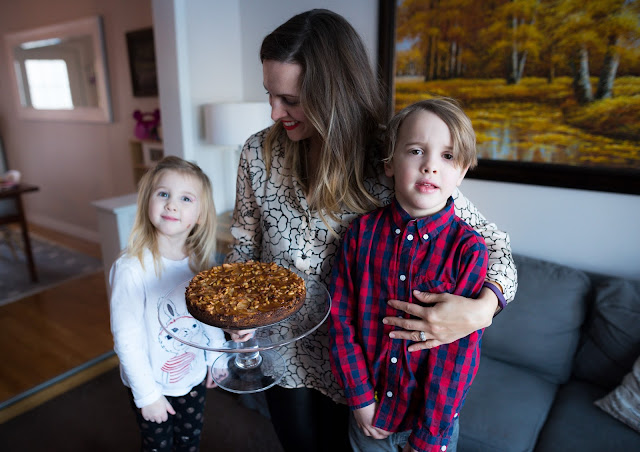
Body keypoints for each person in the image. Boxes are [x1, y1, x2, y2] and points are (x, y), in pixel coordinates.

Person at [226, 9, 517, 452]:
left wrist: (482, 310)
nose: (274, 111)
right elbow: (245, 242)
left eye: (290, 99)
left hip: (362, 370)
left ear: (331, 92)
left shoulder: (397, 154)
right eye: (270, 94)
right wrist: (236, 308)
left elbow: (493, 246)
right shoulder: (256, 153)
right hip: (283, 353)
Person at [329, 98, 488, 452]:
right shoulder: (360, 235)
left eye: (447, 156)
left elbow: (457, 355)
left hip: (430, 426)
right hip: (369, 416)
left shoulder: (469, 251)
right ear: (389, 163)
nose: (430, 166)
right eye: (416, 151)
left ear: (462, 172)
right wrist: (359, 397)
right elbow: (340, 319)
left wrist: (429, 438)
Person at [109, 156, 225, 451]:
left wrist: (216, 358)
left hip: (193, 377)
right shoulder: (131, 269)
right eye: (163, 194)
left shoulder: (200, 263)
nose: (172, 205)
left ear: (200, 215)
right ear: (147, 202)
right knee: (158, 446)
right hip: (152, 383)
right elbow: (127, 340)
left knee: (189, 441)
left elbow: (208, 317)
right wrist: (148, 395)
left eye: (185, 198)